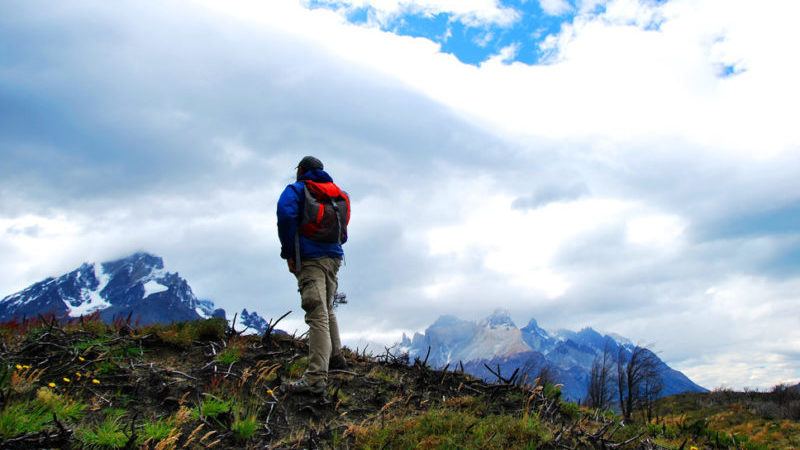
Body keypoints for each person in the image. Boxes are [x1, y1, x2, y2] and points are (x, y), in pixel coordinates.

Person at [276, 156, 349, 395]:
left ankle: (315, 378)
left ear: (301, 170)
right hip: (334, 257)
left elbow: (285, 215)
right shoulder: (338, 193)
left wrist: (289, 252)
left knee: (316, 312)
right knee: (327, 307)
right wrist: (336, 244)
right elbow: (344, 225)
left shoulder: (296, 191)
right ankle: (336, 358)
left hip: (310, 257)